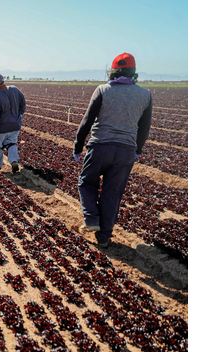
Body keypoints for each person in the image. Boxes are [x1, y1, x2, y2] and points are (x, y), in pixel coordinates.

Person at [72, 53, 153, 248]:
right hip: (126, 151)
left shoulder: (103, 90)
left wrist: (78, 146)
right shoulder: (145, 94)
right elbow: (144, 127)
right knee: (112, 193)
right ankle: (104, 237)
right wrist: (137, 149)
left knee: (86, 182)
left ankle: (91, 219)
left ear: (113, 71)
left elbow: (87, 121)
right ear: (133, 72)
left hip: (100, 146)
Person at [0, 73, 26, 173]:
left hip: (2, 127)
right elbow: (23, 102)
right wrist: (21, 113)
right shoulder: (14, 89)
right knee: (11, 143)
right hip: (15, 126)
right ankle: (14, 161)